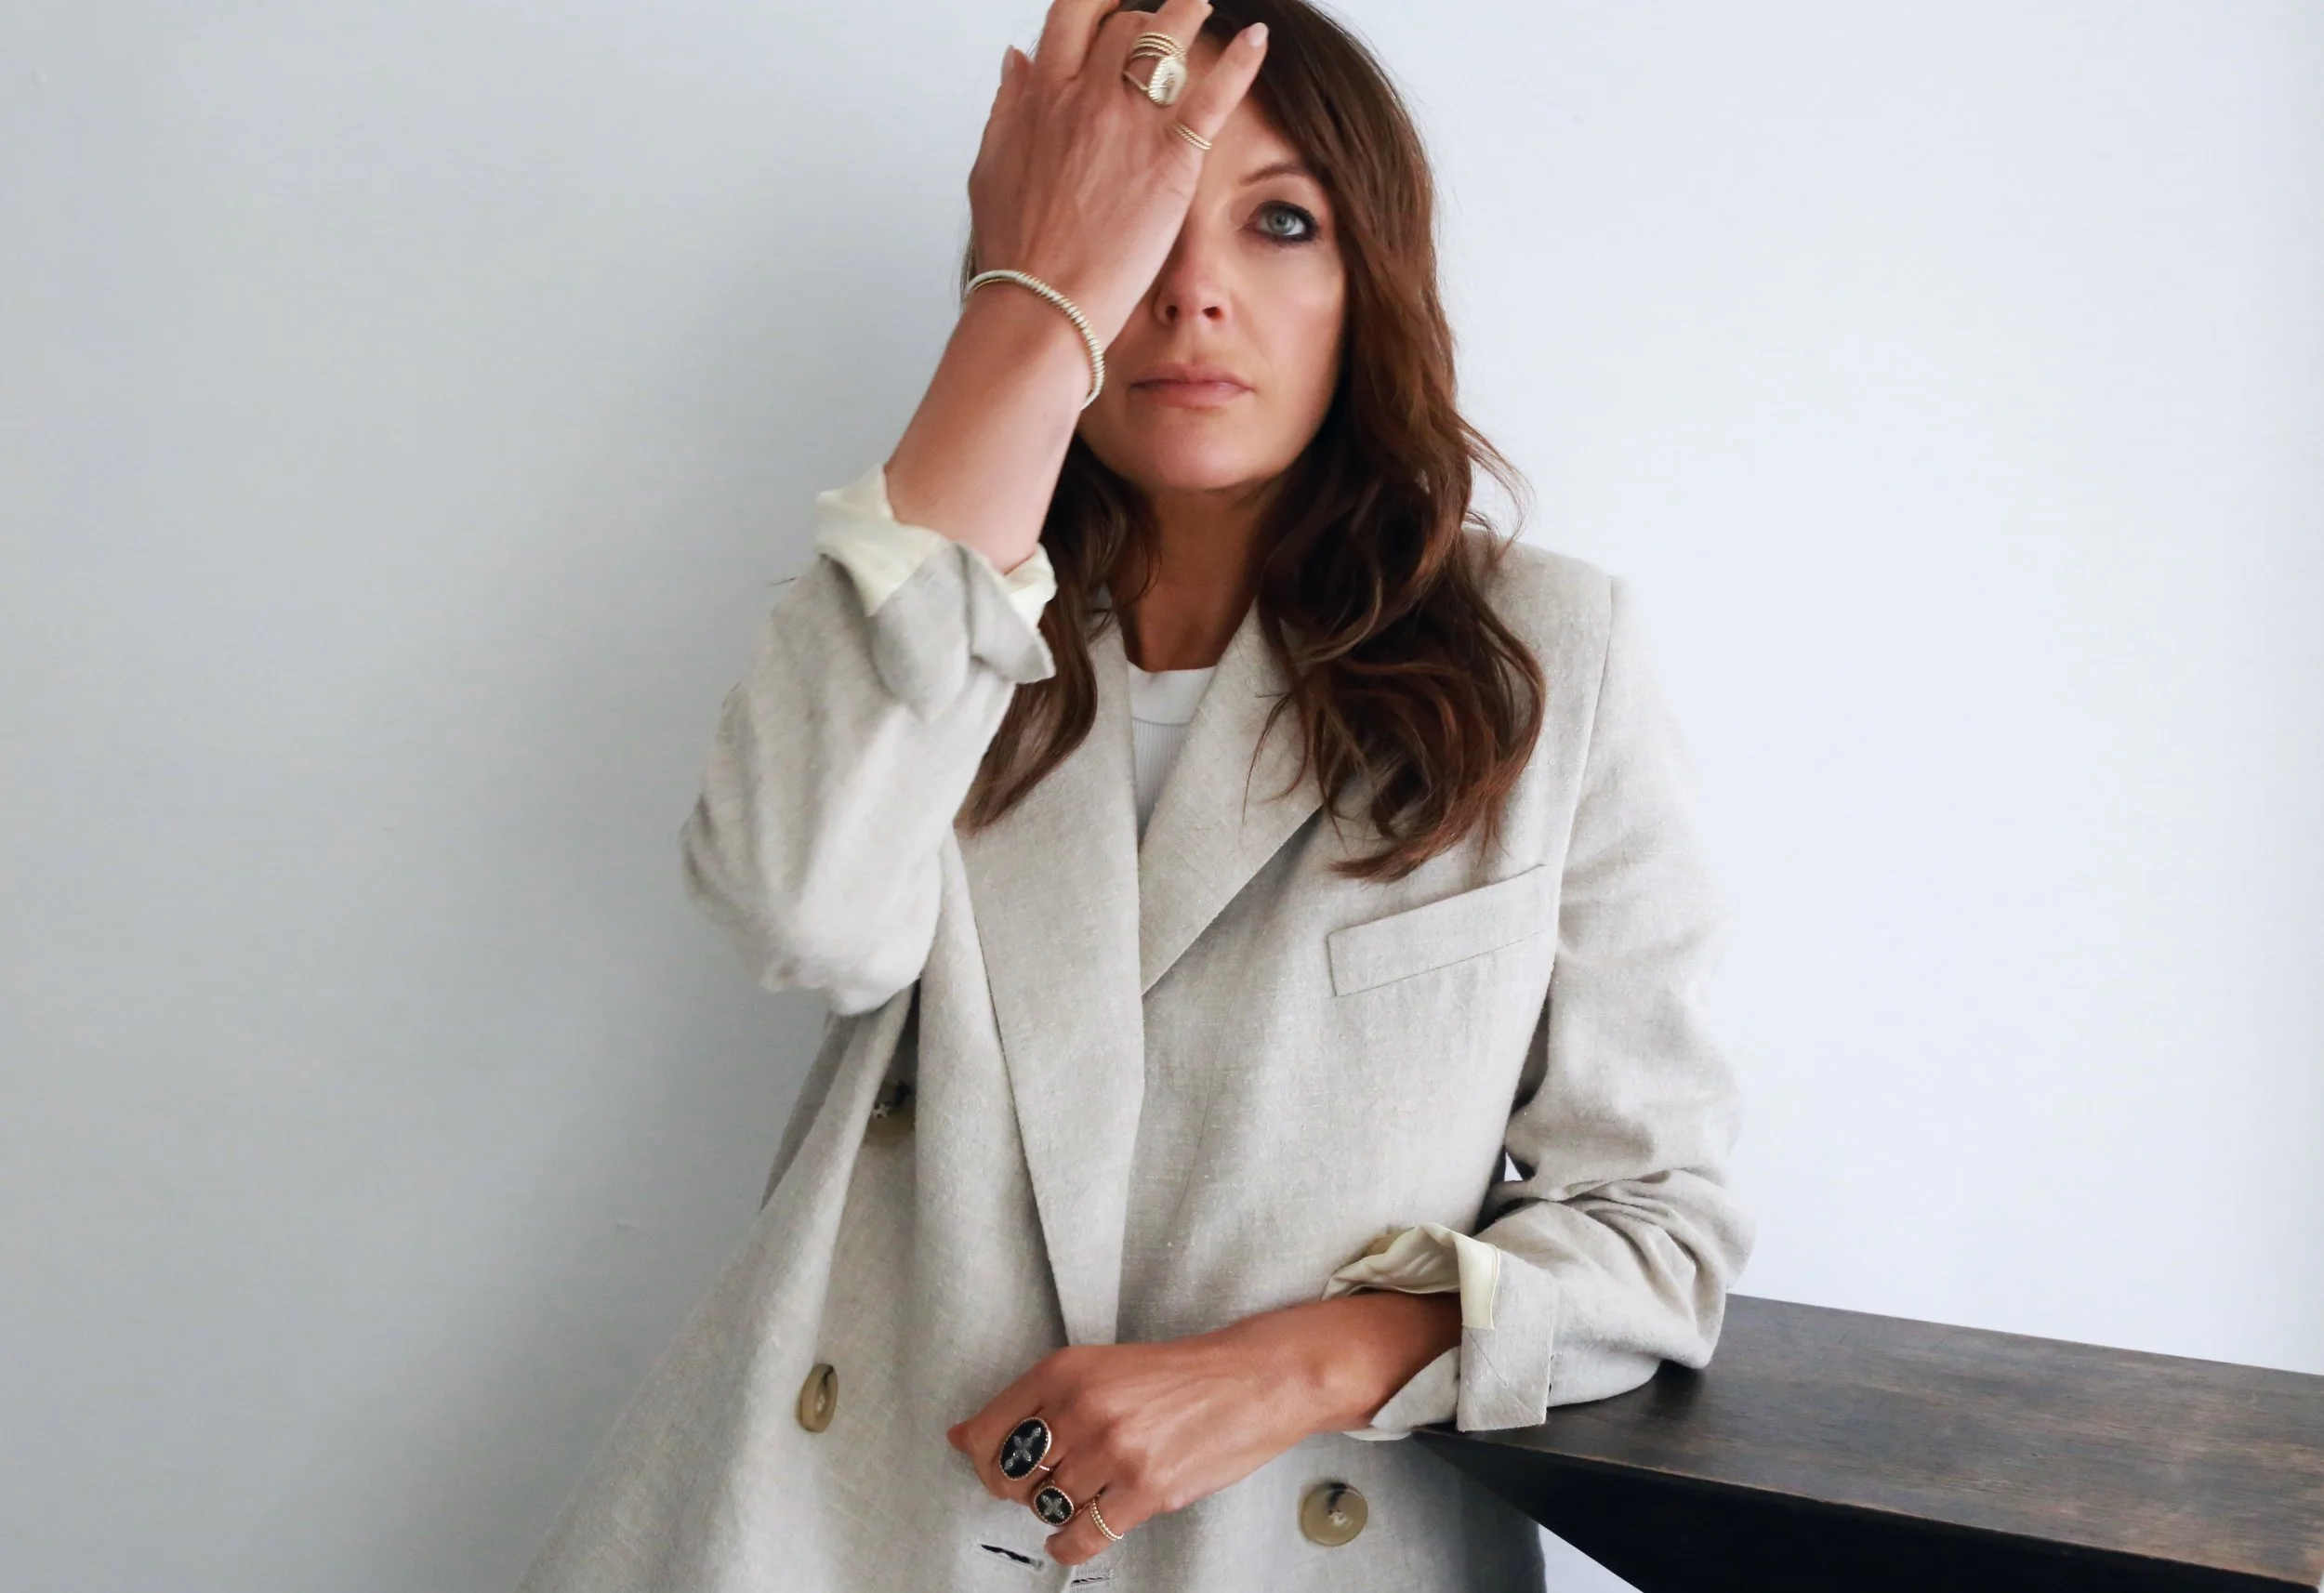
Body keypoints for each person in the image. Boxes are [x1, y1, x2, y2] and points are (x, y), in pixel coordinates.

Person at [516, 1, 1752, 1588]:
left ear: (1369, 280)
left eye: (1280, 221)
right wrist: (1023, 307)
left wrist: (1292, 1367)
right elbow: (798, 909)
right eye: (1144, 219)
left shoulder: (1541, 660)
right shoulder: (945, 615)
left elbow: (1657, 1223)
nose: (1190, 290)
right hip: (856, 1527)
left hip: (1288, 1544)